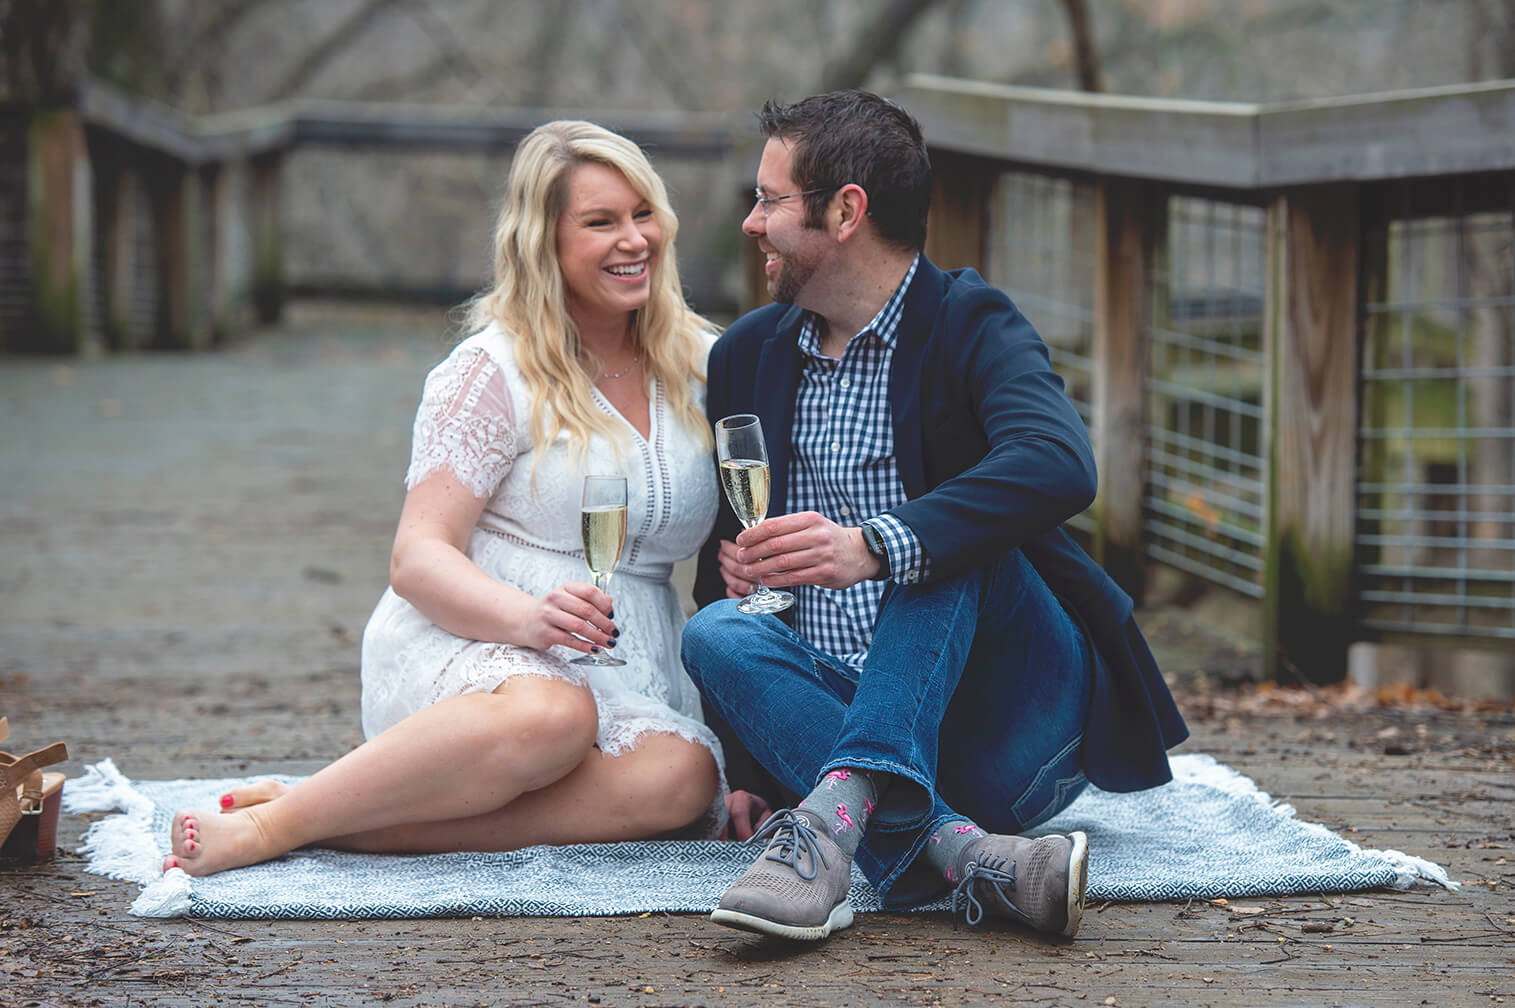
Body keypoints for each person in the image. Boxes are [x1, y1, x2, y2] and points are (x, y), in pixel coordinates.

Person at [681, 90, 1189, 942]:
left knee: (941, 546)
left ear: (845, 212)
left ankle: (836, 817)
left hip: (1005, 724)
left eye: (769, 201)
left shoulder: (970, 323)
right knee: (716, 632)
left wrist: (874, 545)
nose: (751, 223)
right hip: (841, 716)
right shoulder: (745, 356)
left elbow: (1058, 462)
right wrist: (744, 752)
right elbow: (717, 567)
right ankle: (963, 855)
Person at [163, 120, 730, 877]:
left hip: (632, 660)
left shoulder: (703, 361)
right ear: (543, 242)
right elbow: (417, 556)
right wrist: (527, 621)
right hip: (476, 642)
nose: (634, 240)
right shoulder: (493, 370)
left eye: (642, 214)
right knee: (551, 716)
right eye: (600, 222)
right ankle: (276, 828)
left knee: (683, 782)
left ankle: (315, 814)